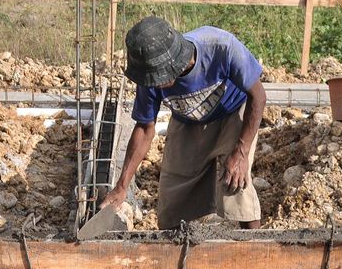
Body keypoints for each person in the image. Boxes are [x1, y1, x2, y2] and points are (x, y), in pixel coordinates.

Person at [100, 16, 266, 229]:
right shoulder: (149, 76)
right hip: (187, 119)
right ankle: (176, 255)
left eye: (159, 77)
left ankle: (253, 250)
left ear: (175, 62)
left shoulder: (221, 47)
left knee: (235, 184)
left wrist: (241, 152)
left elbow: (258, 97)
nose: (156, 84)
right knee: (173, 203)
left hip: (232, 112)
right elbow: (144, 128)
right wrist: (122, 186)